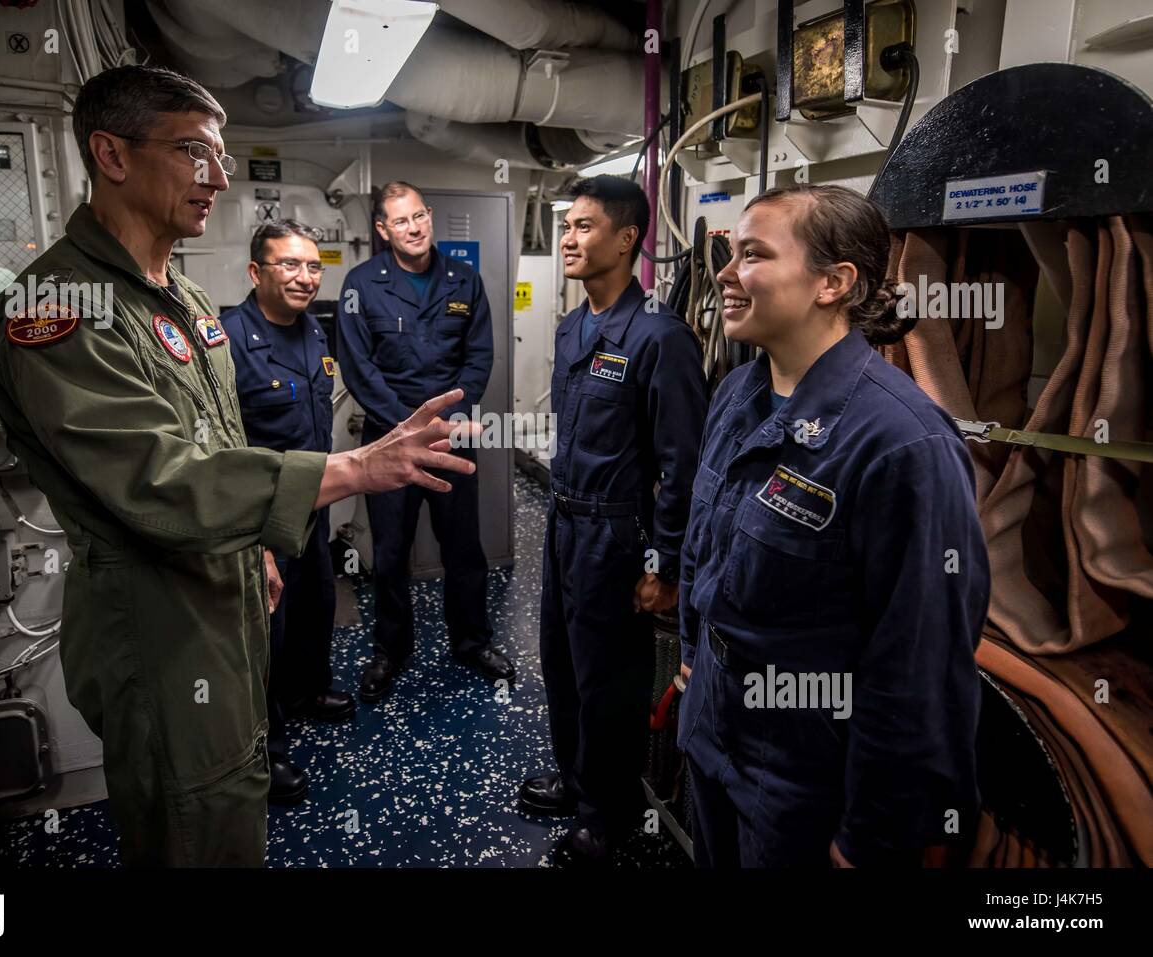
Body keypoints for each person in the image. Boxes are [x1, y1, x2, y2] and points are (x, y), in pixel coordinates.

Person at [0, 65, 477, 867]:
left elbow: (217, 440)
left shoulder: (182, 299)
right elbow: (159, 479)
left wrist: (250, 550)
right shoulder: (57, 308)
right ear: (110, 153)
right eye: (192, 152)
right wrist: (352, 468)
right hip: (159, 618)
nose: (219, 176)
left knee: (235, 794)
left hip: (225, 585)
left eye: (221, 155)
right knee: (196, 820)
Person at [677, 185, 989, 867]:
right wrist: (693, 654)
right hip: (712, 726)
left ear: (833, 282)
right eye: (730, 254)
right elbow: (705, 541)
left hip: (804, 775)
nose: (726, 274)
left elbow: (917, 663)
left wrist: (872, 835)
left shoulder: (903, 444)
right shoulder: (738, 392)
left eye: (752, 255)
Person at [520, 175, 707, 864]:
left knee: (610, 682)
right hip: (564, 524)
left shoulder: (661, 338)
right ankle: (577, 781)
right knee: (563, 666)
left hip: (616, 536)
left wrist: (664, 566)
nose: (568, 237)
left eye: (585, 226)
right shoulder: (574, 327)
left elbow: (681, 467)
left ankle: (611, 813)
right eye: (566, 226)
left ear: (628, 238)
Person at [337, 181, 514, 702]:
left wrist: (449, 420)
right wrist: (406, 428)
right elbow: (358, 367)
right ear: (382, 230)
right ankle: (391, 651)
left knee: (465, 547)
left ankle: (471, 641)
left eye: (419, 217)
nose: (413, 228)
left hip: (450, 438)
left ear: (429, 217)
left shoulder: (464, 279)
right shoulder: (361, 283)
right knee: (390, 553)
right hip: (388, 441)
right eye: (400, 221)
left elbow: (479, 355)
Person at [221, 220, 355, 809]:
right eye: (289, 265)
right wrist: (255, 539)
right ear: (257, 272)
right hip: (258, 518)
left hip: (312, 508)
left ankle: (306, 694)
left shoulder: (313, 332)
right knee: (261, 636)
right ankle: (265, 747)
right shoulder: (225, 341)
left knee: (314, 606)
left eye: (313, 267)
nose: (305, 278)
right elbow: (222, 448)